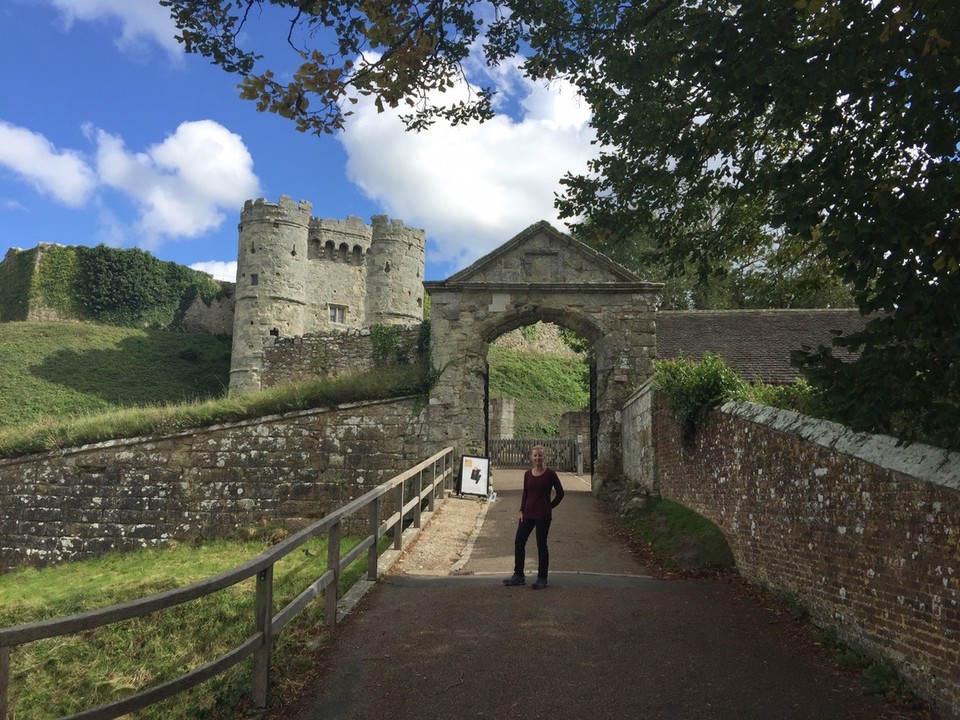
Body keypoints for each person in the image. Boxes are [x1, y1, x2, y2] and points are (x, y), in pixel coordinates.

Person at [503, 445, 564, 590]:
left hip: (543, 515)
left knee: (541, 545)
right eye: (535, 455)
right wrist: (521, 510)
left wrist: (549, 506)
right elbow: (526, 493)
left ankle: (542, 578)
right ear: (531, 457)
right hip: (528, 514)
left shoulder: (550, 474)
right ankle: (518, 575)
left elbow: (560, 493)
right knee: (519, 542)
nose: (538, 458)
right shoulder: (528, 474)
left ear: (544, 457)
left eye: (540, 455)